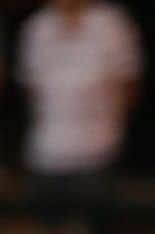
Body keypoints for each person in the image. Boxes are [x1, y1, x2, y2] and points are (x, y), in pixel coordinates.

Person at [15, 0, 142, 199]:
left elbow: (129, 83)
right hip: (46, 151)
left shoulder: (111, 23)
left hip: (99, 149)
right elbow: (30, 88)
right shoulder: (37, 26)